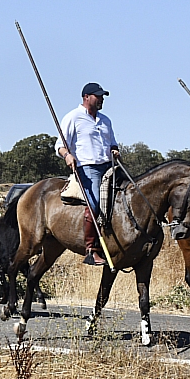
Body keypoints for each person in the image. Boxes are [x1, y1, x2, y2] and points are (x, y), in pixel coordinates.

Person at [57, 83, 120, 266]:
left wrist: (115, 150)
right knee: (94, 203)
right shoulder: (73, 117)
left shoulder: (106, 120)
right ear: (86, 97)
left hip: (109, 166)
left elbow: (113, 143)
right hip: (87, 167)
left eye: (103, 97)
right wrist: (67, 155)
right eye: (98, 96)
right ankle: (91, 249)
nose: (101, 100)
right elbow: (60, 145)